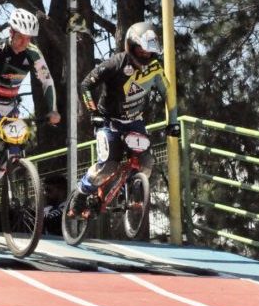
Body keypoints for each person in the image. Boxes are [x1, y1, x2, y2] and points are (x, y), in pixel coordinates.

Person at [69, 21, 178, 217]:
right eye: (141, 51)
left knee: (146, 164)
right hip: (109, 121)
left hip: (135, 121)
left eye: (149, 52)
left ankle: (124, 190)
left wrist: (173, 122)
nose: (145, 56)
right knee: (109, 164)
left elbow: (169, 94)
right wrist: (93, 113)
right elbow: (85, 85)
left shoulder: (155, 68)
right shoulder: (115, 63)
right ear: (130, 46)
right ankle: (82, 191)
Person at [0, 8, 60, 209]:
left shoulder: (33, 53)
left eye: (29, 38)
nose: (25, 43)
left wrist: (53, 109)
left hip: (9, 106)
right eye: (21, 37)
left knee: (14, 155)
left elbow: (47, 82)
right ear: (11, 32)